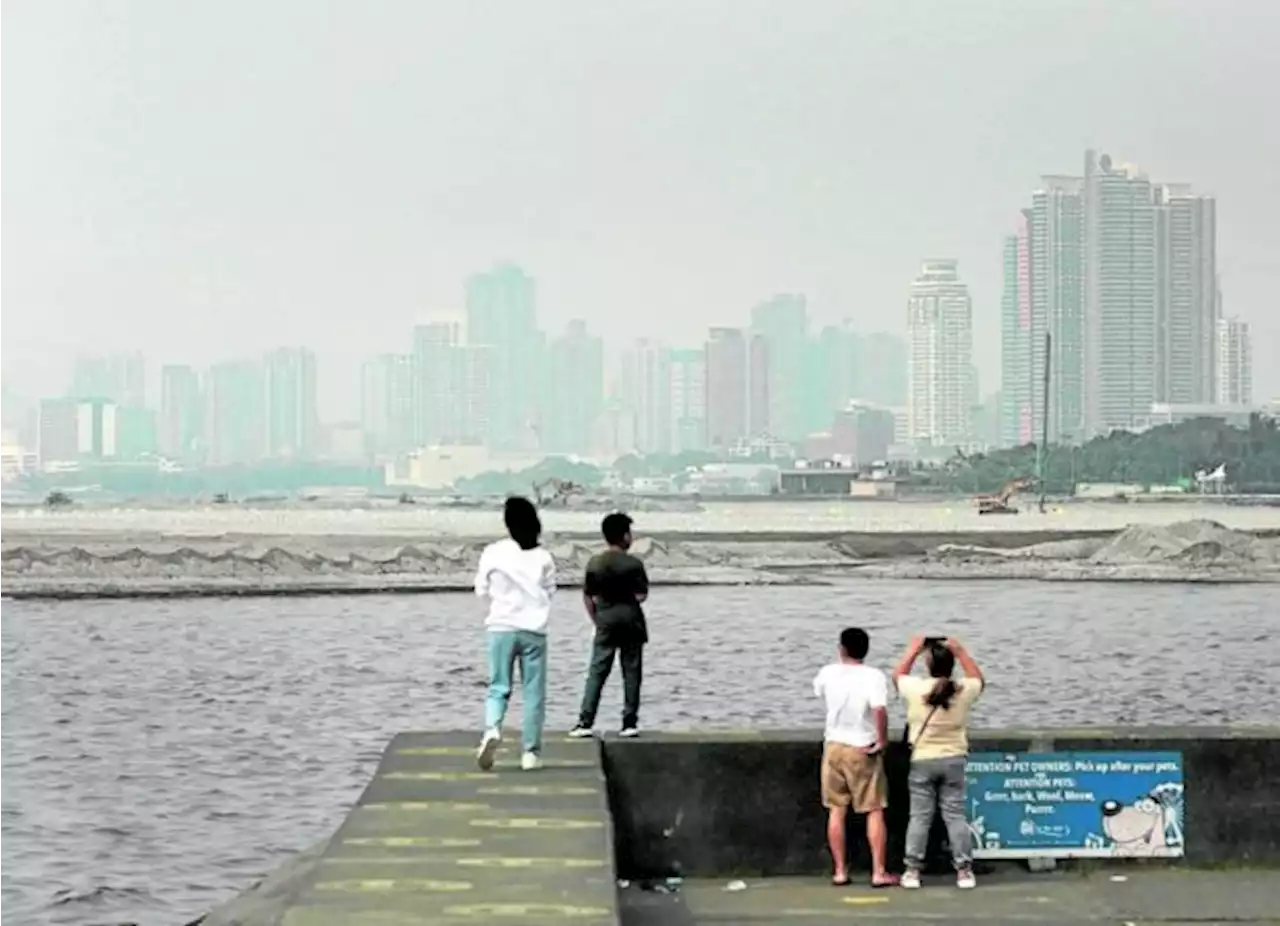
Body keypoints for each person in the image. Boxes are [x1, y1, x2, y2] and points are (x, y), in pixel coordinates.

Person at [891, 635, 985, 890]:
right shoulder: (963, 691)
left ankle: (912, 870)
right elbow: (979, 679)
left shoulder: (916, 689)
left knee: (920, 817)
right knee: (954, 815)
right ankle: (964, 871)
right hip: (954, 758)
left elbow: (897, 676)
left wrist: (913, 650)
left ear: (928, 665)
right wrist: (961, 651)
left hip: (923, 759)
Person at [473, 496, 558, 772]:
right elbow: (550, 591)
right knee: (533, 693)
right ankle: (530, 753)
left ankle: (492, 729)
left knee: (499, 687)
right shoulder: (543, 556)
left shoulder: (493, 552)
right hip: (534, 630)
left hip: (500, 627)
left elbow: (481, 590)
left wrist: (498, 607)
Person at [813, 627, 898, 888]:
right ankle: (878, 871)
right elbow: (879, 709)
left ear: (841, 648)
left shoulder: (827, 672)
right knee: (874, 809)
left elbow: (819, 692)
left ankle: (839, 870)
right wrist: (882, 740)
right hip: (861, 746)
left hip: (833, 745)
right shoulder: (873, 676)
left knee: (836, 809)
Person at [568, 512, 648, 739]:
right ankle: (629, 723)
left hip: (606, 620)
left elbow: (587, 596)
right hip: (632, 620)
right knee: (631, 672)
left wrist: (598, 618)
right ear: (624, 536)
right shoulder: (634, 563)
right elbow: (642, 595)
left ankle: (585, 722)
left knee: (597, 672)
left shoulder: (595, 563)